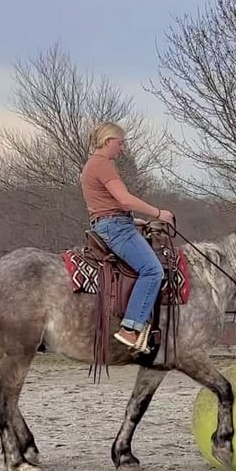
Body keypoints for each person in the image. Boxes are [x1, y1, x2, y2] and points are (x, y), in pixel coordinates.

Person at [80, 121, 175, 352]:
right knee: (152, 270)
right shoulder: (103, 164)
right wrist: (158, 213)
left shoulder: (92, 165)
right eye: (120, 143)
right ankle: (130, 328)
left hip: (113, 223)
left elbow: (105, 204)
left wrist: (132, 220)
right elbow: (124, 199)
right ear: (108, 141)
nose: (122, 148)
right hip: (116, 228)